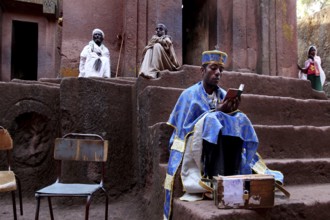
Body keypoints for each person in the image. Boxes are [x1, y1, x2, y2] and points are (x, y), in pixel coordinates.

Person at [163, 50, 260, 220]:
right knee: (212, 120)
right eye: (213, 68)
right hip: (193, 142)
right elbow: (186, 128)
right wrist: (216, 112)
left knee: (240, 118)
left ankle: (232, 172)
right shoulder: (189, 95)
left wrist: (231, 110)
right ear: (202, 70)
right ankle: (215, 177)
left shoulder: (222, 94)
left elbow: (227, 120)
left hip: (218, 140)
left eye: (220, 70)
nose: (217, 73)